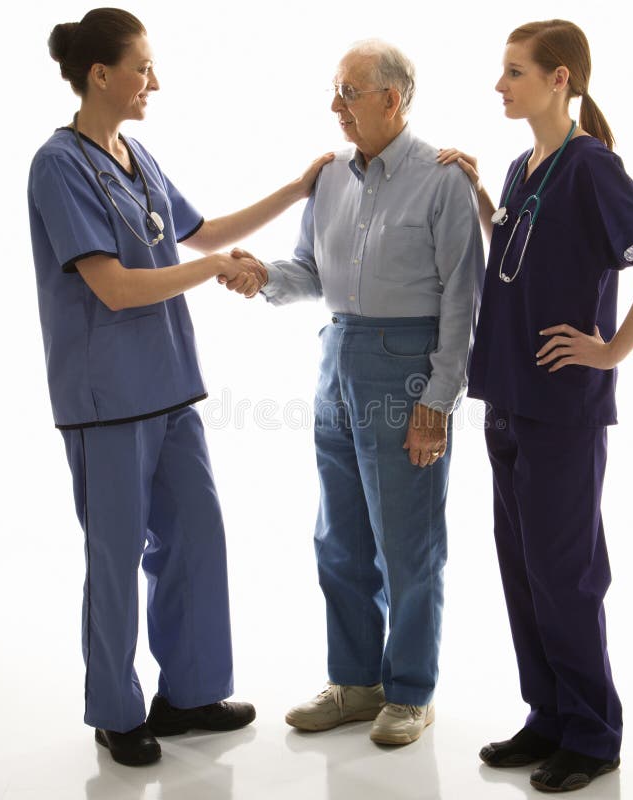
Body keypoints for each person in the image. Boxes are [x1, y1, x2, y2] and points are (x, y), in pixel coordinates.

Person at [28, 8, 331, 767]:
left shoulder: (138, 156)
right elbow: (116, 288)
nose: (153, 82)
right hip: (106, 400)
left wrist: (299, 188)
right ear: (101, 75)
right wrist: (214, 268)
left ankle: (190, 694)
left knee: (197, 535)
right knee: (116, 554)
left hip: (169, 390)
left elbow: (204, 228)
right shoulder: (58, 165)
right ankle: (116, 710)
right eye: (142, 68)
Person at [437, 18, 633, 793]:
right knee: (523, 571)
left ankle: (591, 734)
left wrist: (610, 349)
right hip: (508, 394)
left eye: (515, 71)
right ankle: (547, 715)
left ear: (560, 79)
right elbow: (518, 250)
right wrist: (481, 195)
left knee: (566, 572)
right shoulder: (524, 165)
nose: (500, 84)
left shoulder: (590, 166)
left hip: (561, 407)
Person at [231, 40, 483, 746]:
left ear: (390, 99)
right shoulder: (332, 177)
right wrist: (266, 278)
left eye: (348, 92)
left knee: (408, 542)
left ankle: (410, 691)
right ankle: (357, 681)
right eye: (336, 91)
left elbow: (464, 304)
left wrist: (437, 402)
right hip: (337, 355)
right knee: (338, 537)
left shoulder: (442, 180)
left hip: (405, 367)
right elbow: (312, 269)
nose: (335, 106)